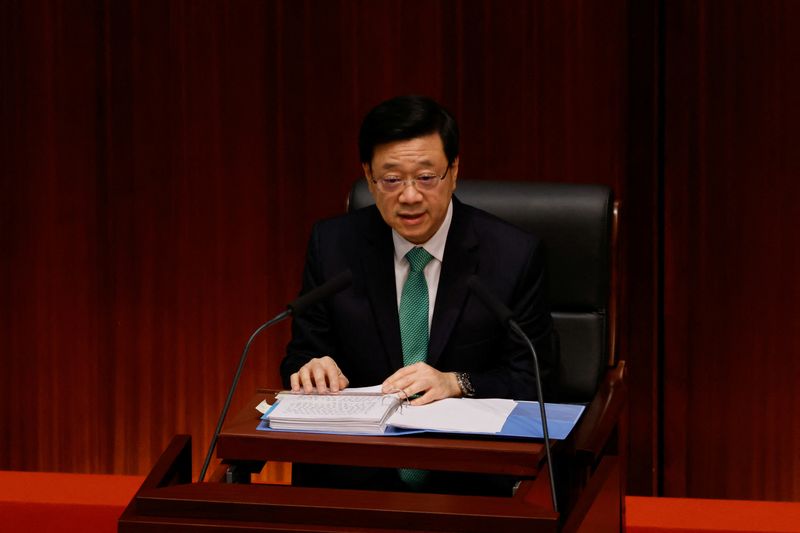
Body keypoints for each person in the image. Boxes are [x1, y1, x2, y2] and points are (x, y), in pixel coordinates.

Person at [279, 95, 557, 494]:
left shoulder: (511, 256)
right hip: (355, 479)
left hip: (467, 482)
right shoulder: (333, 246)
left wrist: (455, 382)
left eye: (427, 177)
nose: (409, 196)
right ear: (369, 177)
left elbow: (534, 377)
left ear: (454, 171)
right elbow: (300, 353)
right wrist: (310, 367)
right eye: (391, 179)